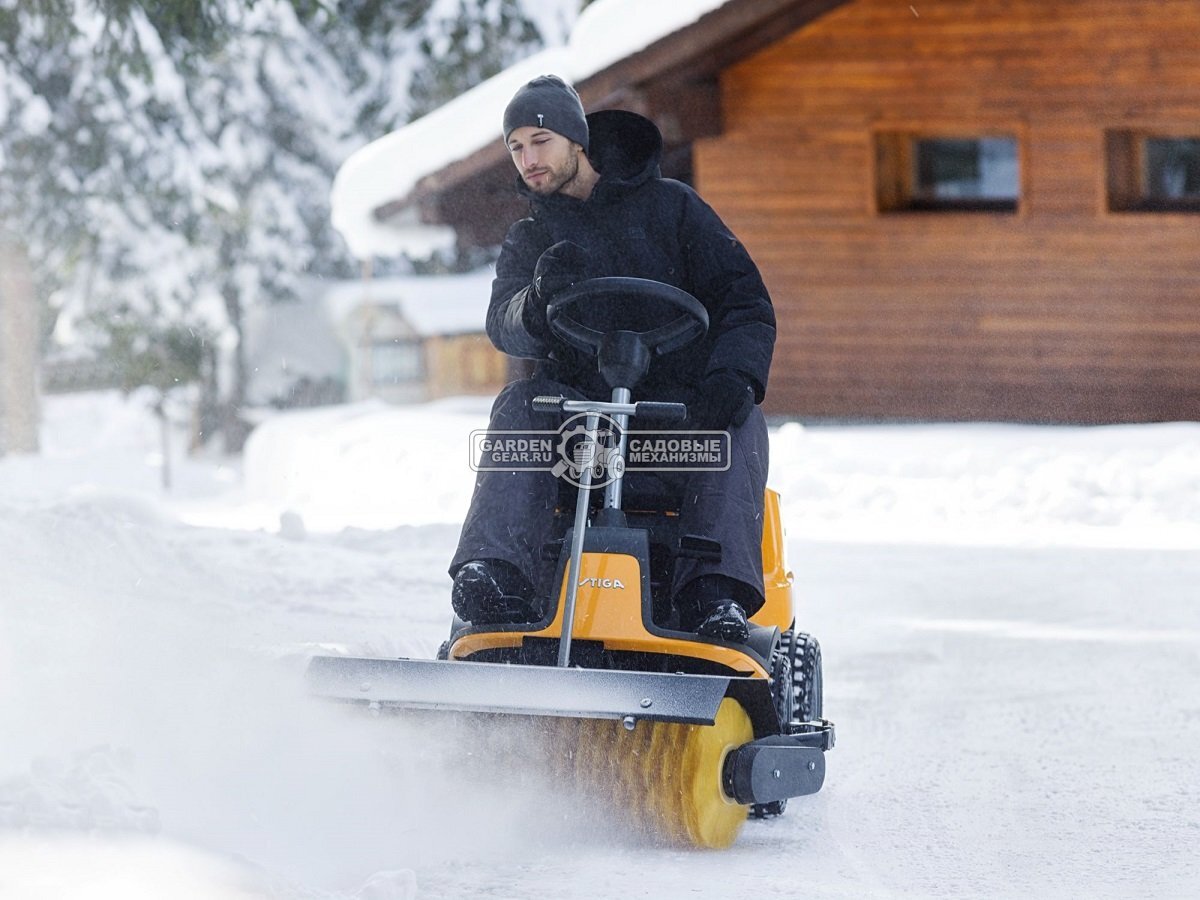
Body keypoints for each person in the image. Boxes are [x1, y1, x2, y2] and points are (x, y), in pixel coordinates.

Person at [449, 75, 775, 643]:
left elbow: (744, 301)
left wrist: (732, 375)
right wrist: (538, 300)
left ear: (577, 140)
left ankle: (712, 593)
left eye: (540, 141)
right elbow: (504, 323)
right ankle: (496, 574)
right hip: (576, 421)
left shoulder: (674, 209)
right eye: (516, 147)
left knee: (741, 419)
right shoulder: (531, 238)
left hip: (677, 418)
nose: (528, 158)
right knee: (518, 403)